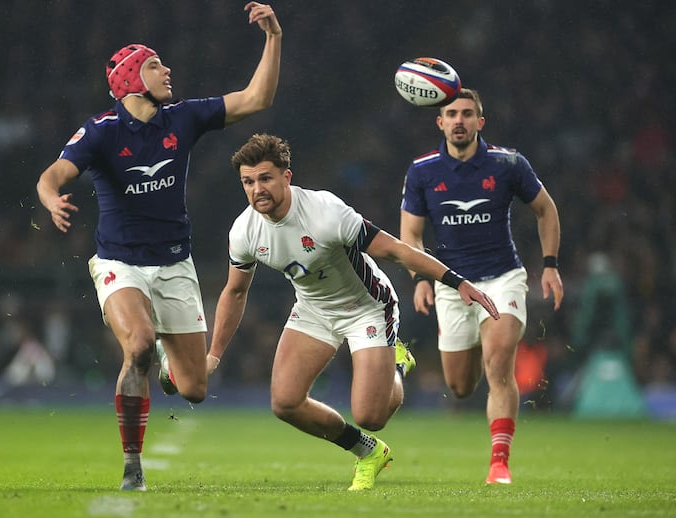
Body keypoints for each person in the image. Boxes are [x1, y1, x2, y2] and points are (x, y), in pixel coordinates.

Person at [36, 3, 282, 492]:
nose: (167, 70)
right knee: (140, 344)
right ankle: (133, 465)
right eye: (154, 64)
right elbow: (52, 176)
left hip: (174, 265)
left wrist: (274, 37)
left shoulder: (183, 118)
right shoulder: (102, 130)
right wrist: (50, 199)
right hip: (119, 263)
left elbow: (256, 99)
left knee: (193, 388)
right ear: (130, 80)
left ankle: (171, 365)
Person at [208, 134, 499, 490]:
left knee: (370, 415)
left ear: (287, 176)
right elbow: (235, 292)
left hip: (367, 309)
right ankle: (369, 451)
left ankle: (395, 362)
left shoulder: (325, 212)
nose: (257, 190)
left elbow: (394, 249)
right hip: (314, 309)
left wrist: (455, 281)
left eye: (265, 178)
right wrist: (214, 355)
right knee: (285, 403)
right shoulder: (244, 230)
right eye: (248, 182)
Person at [400, 88, 564, 485]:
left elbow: (546, 209)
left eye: (467, 114)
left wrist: (549, 265)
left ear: (480, 122)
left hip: (502, 276)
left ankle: (499, 463)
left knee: (499, 360)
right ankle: (468, 358)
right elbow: (410, 234)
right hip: (452, 284)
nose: (459, 120)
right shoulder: (422, 171)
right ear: (440, 122)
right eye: (451, 114)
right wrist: (421, 278)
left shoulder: (508, 164)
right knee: (459, 386)